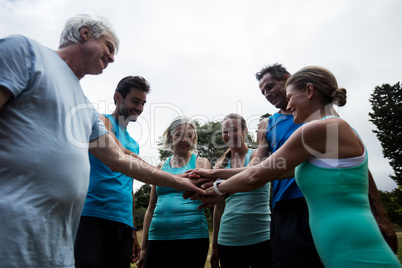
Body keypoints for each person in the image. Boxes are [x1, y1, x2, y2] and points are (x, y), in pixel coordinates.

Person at [0, 14, 203, 267]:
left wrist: (177, 179)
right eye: (108, 47)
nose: (112, 57)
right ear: (85, 34)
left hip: (57, 235)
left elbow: (119, 159)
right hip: (13, 223)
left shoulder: (83, 106)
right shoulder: (26, 51)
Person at [194, 66, 401, 268]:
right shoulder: (327, 132)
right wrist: (216, 178)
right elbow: (265, 170)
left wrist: (218, 187)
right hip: (326, 235)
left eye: (291, 96)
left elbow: (257, 175)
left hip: (351, 245)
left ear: (309, 91)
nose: (289, 104)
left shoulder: (321, 128)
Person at [74, 76, 150, 267]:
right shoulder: (102, 122)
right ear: (118, 97)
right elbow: (117, 155)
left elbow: (129, 188)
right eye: (135, 101)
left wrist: (133, 232)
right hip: (92, 217)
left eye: (143, 103)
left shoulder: (134, 144)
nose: (139, 108)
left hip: (122, 223)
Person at [137, 117, 211, 268]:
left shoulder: (201, 163)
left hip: (192, 237)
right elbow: (150, 209)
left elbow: (210, 198)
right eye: (179, 135)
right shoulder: (160, 167)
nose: (184, 140)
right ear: (171, 136)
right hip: (157, 237)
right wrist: (144, 248)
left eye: (189, 136)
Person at [211, 113, 273, 268]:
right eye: (225, 132)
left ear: (245, 131)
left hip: (262, 236)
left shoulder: (258, 154)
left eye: (234, 130)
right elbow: (218, 208)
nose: (229, 135)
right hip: (228, 240)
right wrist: (215, 248)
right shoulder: (220, 165)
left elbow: (249, 173)